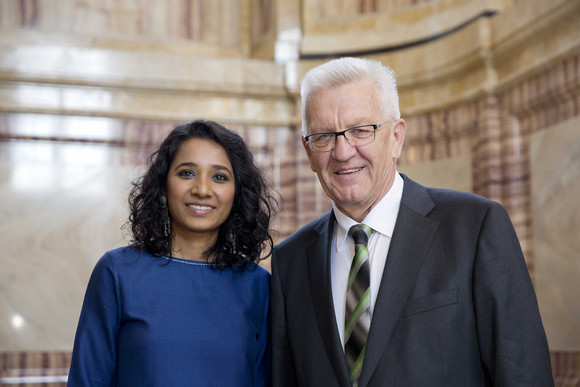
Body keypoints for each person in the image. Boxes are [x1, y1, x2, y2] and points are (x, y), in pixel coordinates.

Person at [270, 57, 554, 386]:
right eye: (323, 136)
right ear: (308, 153)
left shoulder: (475, 228)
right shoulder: (290, 261)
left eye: (361, 130)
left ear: (396, 137)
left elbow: (522, 373)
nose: (343, 152)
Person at [68, 120, 275, 386]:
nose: (202, 189)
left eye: (220, 177)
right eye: (187, 173)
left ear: (237, 193)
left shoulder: (258, 286)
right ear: (164, 186)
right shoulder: (117, 273)